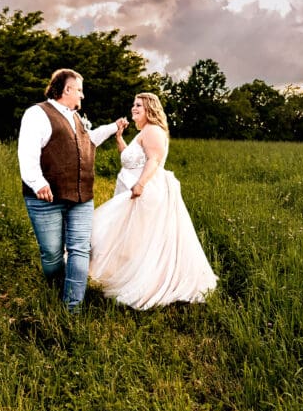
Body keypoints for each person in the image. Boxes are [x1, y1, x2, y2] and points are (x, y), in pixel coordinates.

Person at [89, 92, 217, 309]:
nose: (134, 108)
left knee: (140, 237)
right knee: (132, 238)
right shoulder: (143, 133)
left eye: (139, 105)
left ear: (150, 108)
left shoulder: (153, 131)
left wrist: (140, 185)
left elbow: (154, 160)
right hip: (133, 191)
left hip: (146, 192)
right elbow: (130, 159)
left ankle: (148, 285)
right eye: (133, 104)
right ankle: (128, 274)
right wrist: (119, 138)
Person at [18, 69, 128, 311]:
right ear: (66, 90)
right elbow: (27, 152)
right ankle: (56, 289)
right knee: (52, 254)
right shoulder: (37, 114)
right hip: (46, 197)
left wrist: (113, 127)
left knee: (80, 248)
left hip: (81, 197)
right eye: (79, 89)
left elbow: (88, 140)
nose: (82, 95)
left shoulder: (76, 117)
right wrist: (38, 183)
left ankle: (72, 307)